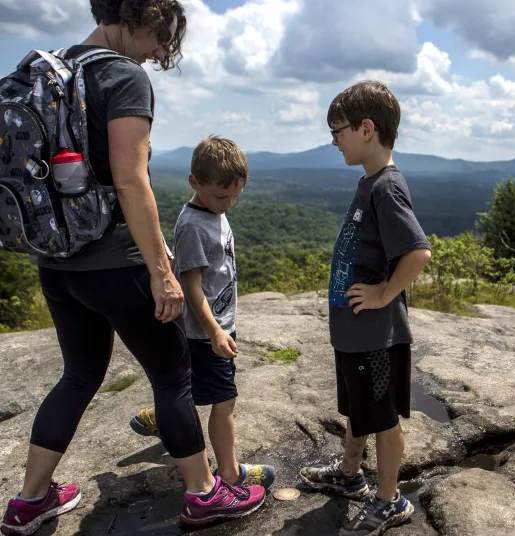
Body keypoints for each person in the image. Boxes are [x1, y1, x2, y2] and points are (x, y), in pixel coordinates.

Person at [0, 3, 264, 534]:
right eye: (164, 42)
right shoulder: (121, 76)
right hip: (114, 262)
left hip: (58, 262)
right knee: (172, 374)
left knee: (78, 375)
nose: (161, 55)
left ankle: (29, 502)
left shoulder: (52, 69)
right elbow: (131, 180)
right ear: (145, 18)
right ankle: (203, 493)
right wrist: (162, 270)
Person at [299, 81, 432, 536]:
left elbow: (417, 252)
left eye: (338, 130)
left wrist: (382, 294)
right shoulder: (370, 182)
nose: (334, 139)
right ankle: (350, 474)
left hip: (376, 333)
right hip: (355, 332)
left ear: (367, 128)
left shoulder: (387, 186)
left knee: (384, 418)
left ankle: (389, 500)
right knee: (360, 409)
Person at [128, 135, 276, 492]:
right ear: (194, 183)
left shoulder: (211, 212)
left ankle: (162, 419)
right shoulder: (194, 225)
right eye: (221, 196)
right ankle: (230, 472)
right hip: (206, 331)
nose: (228, 204)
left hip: (216, 328)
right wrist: (214, 331)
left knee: (192, 387)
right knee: (225, 401)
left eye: (235, 196)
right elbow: (192, 286)